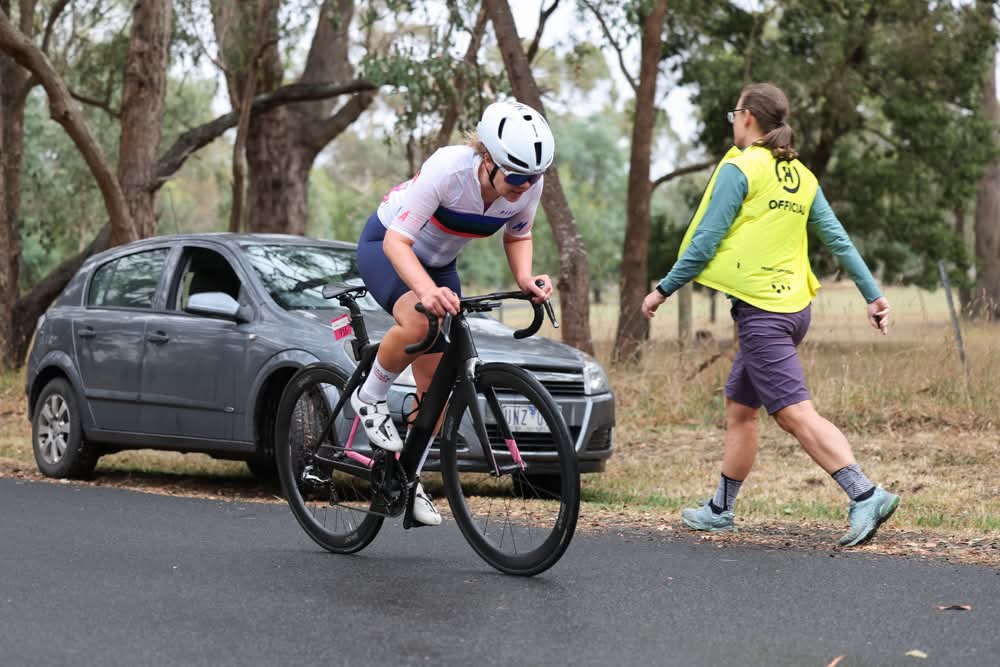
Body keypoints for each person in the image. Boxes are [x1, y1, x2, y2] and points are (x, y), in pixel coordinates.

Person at [641, 82, 900, 547]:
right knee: (741, 407)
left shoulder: (741, 168)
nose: (733, 122)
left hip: (762, 315)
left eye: (734, 114)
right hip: (794, 310)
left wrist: (662, 290)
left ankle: (865, 493)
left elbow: (703, 243)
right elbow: (838, 240)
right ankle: (720, 509)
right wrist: (873, 295)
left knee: (794, 413)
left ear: (747, 117)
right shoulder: (801, 176)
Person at [353, 100, 555, 526]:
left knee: (437, 388)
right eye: (517, 177)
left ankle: (406, 478)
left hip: (441, 265)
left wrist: (525, 278)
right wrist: (425, 291)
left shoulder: (527, 184)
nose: (524, 186)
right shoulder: (448, 170)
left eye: (533, 178)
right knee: (420, 323)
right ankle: (368, 397)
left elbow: (519, 234)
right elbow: (396, 243)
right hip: (388, 247)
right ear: (488, 159)